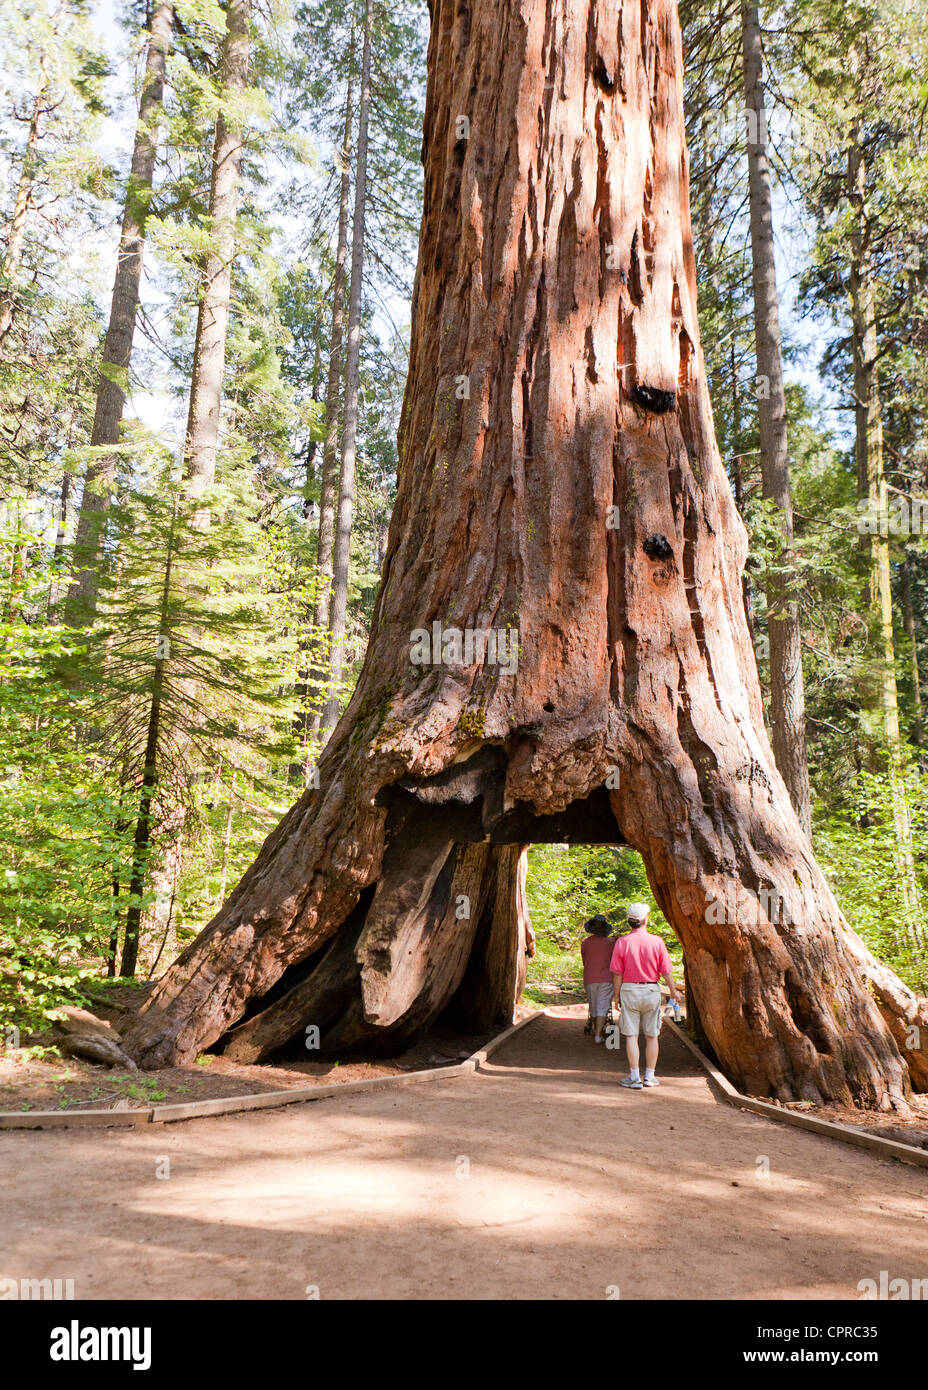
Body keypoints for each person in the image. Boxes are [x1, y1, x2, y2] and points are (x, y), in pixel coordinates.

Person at [610, 902, 679, 1089]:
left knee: (631, 1035)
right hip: (651, 990)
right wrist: (673, 991)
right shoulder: (657, 942)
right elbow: (666, 971)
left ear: (630, 921)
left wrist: (616, 997)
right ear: (645, 919)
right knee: (651, 1035)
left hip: (629, 990)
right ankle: (649, 1076)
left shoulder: (622, 942)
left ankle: (634, 1078)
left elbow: (617, 973)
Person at [580, 914, 616, 1044]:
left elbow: (585, 960)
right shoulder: (611, 943)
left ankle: (596, 1030)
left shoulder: (585, 943)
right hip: (606, 978)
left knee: (593, 1006)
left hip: (590, 977)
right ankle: (598, 1035)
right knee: (603, 1005)